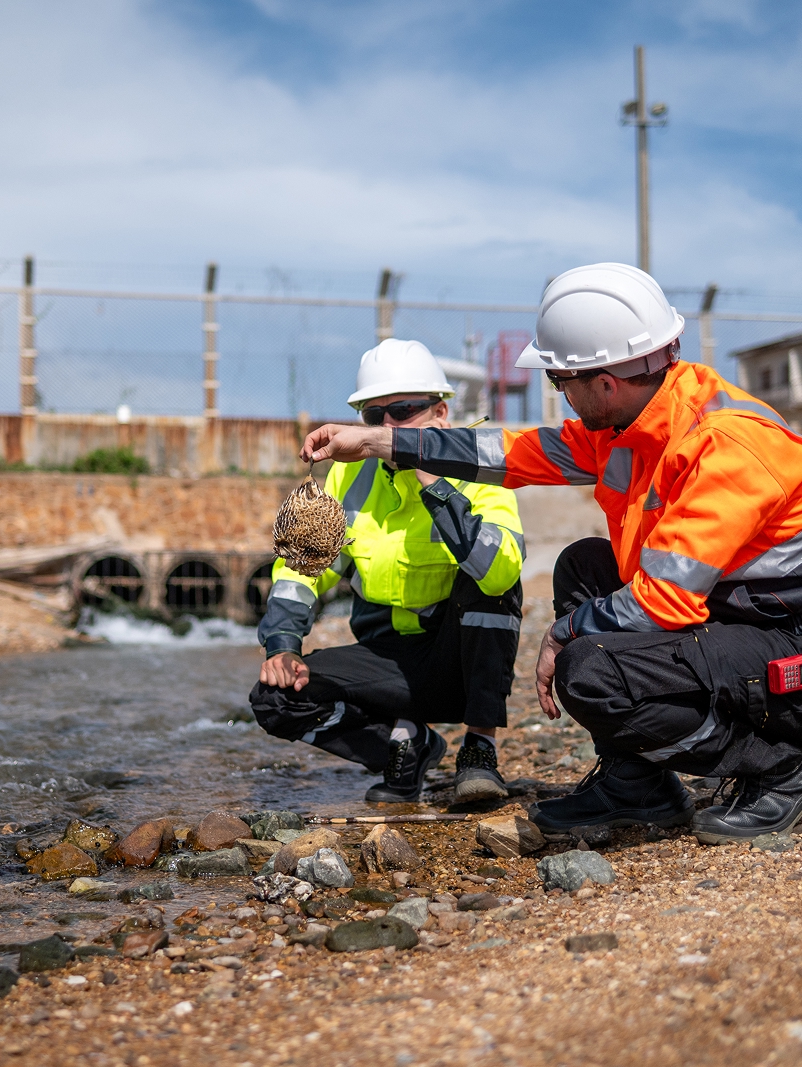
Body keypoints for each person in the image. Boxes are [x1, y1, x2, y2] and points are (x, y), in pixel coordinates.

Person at [301, 263, 802, 844]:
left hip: (783, 642)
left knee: (589, 672)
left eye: (561, 381)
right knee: (584, 567)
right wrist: (376, 440)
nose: (560, 394)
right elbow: (509, 452)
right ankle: (637, 784)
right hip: (734, 618)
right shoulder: (634, 423)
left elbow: (665, 599)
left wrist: (563, 633)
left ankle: (779, 767)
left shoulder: (726, 445)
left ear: (605, 383)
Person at [249, 338, 525, 803]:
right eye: (375, 417)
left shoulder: (479, 470)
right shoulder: (348, 473)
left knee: (489, 574)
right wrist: (282, 644)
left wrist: (435, 483)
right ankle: (404, 747)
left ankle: (480, 748)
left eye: (403, 411)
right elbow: (304, 567)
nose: (388, 427)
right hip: (387, 660)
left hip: (459, 662)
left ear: (441, 413)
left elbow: (501, 571)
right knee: (274, 698)